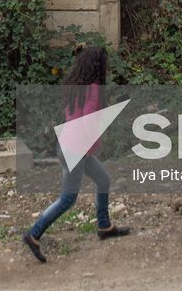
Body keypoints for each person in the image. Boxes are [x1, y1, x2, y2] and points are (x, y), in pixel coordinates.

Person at [22, 45, 130, 263]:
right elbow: (89, 117)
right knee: (68, 198)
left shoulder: (74, 85)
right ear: (98, 66)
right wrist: (95, 138)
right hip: (75, 149)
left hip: (69, 144)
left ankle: (104, 226)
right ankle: (34, 234)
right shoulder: (92, 88)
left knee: (103, 179)